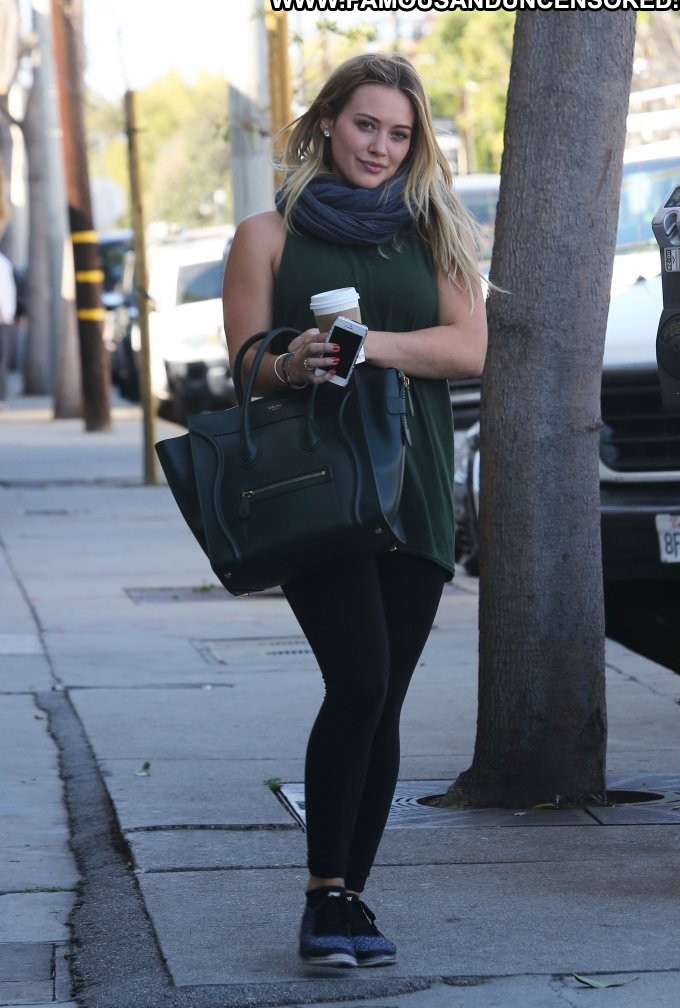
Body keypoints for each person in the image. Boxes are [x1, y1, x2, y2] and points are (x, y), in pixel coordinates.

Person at [222, 52, 488, 969]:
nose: (381, 146)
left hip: (415, 488)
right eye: (367, 124)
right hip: (317, 491)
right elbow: (245, 363)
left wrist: (368, 345)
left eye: (400, 134)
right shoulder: (266, 235)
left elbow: (469, 349)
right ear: (330, 120)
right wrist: (292, 362)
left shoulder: (434, 230)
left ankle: (349, 900)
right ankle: (322, 897)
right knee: (362, 682)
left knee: (386, 698)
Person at [0, 249, 18, 408]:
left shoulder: (3, 263)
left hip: (5, 319)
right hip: (4, 318)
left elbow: (8, 291)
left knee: (3, 359)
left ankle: (2, 396)